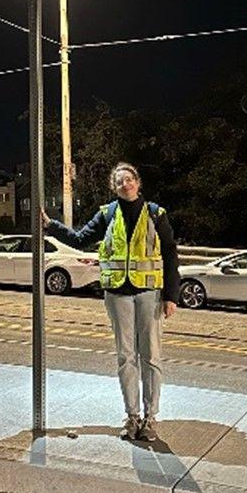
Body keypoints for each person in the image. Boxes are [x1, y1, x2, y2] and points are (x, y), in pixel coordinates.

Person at [42, 162, 179, 442]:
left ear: (138, 183)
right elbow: (80, 238)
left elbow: (170, 253)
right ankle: (132, 417)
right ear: (113, 187)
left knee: (150, 356)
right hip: (118, 294)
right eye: (119, 182)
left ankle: (150, 417)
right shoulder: (107, 214)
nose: (125, 184)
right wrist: (50, 225)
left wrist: (171, 296)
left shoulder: (156, 213)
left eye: (129, 179)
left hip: (148, 293)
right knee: (125, 357)